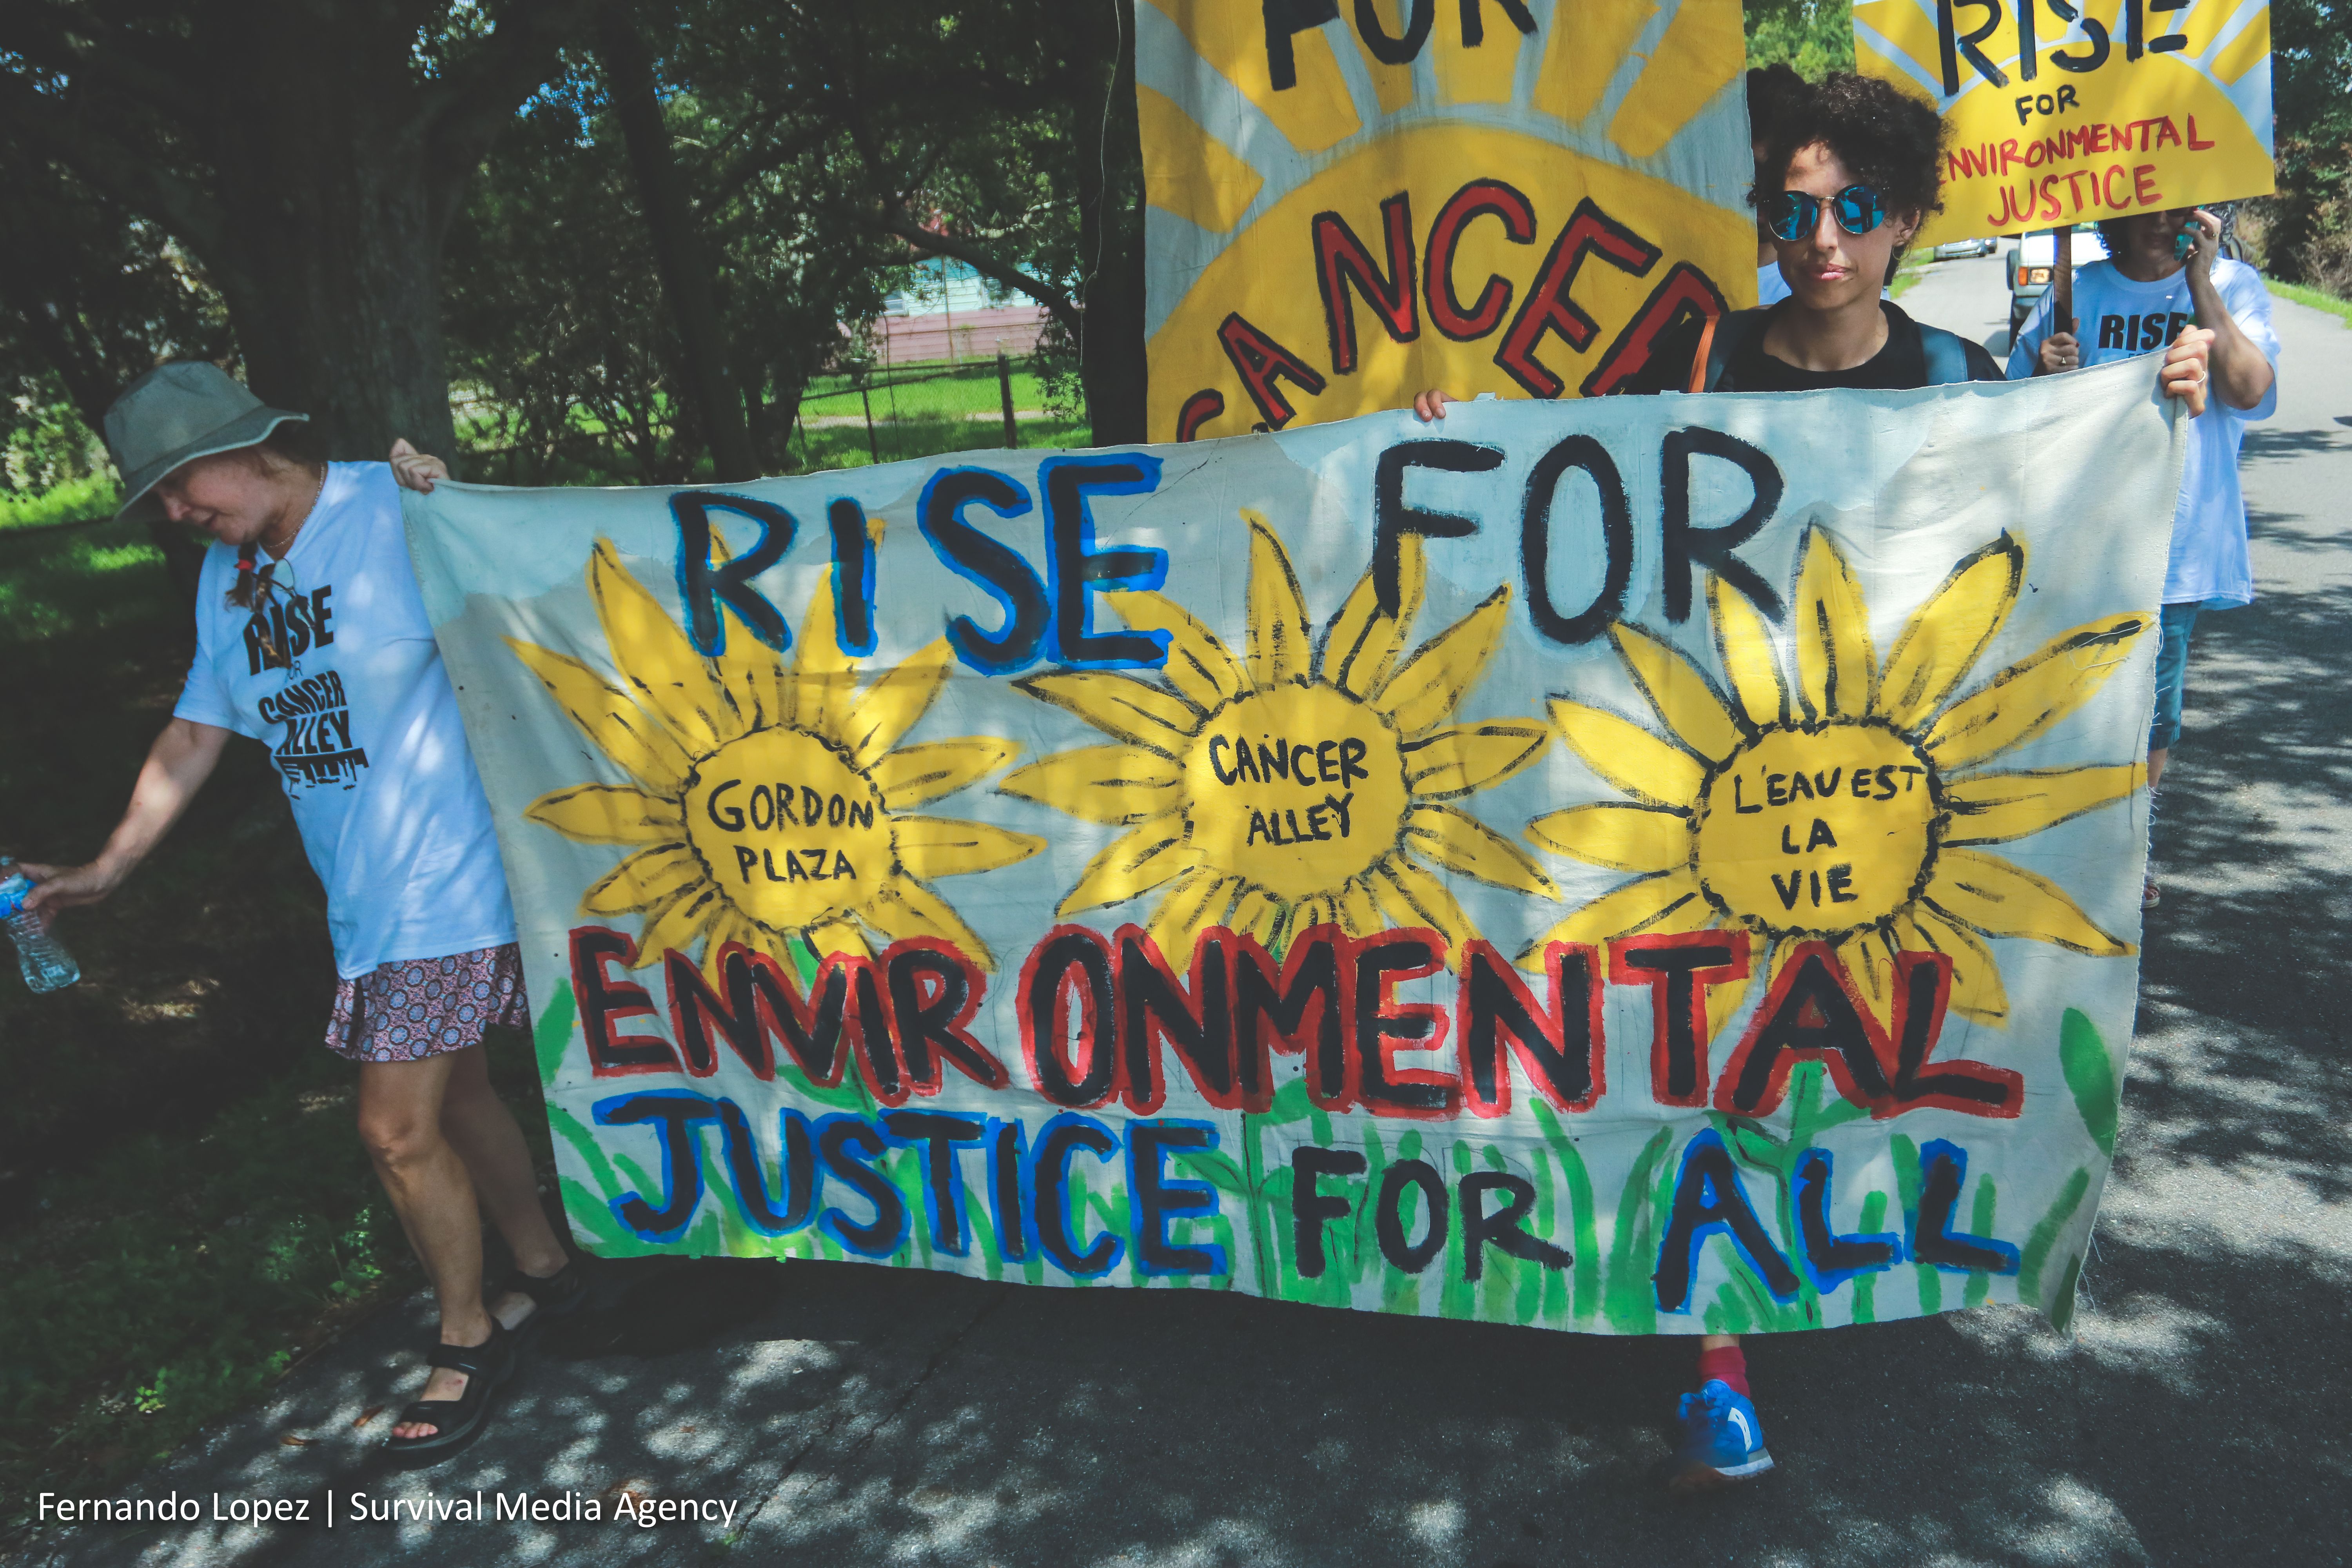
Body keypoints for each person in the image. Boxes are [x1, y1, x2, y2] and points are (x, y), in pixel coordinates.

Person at [1413, 73, 2213, 1492]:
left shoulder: (1960, 383)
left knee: (1845, 1056)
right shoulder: (1707, 362)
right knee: (1715, 1053)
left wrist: (2149, 405)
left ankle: (1848, 1242)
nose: (1821, 237)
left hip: (1882, 809)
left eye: (1852, 209)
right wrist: (1459, 444)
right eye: (1793, 210)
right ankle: (1716, 1359)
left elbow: (2036, 552)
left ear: (1905, 218)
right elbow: (1582, 498)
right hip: (1712, 794)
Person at [18, 362, 582, 1461]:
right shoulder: (230, 577)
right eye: (163, 504)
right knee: (459, 1093)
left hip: (446, 878)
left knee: (392, 1129)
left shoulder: (399, 509)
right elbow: (195, 730)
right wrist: (107, 869)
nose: (177, 518)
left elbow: (546, 596)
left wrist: (459, 503)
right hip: (366, 894)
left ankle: (466, 1337)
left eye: (184, 489)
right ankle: (547, 1271)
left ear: (252, 448)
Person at [2007, 206, 2278, 906]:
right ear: (2115, 217)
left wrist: (2202, 287)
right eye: (2146, 210)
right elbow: (2011, 414)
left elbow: (2251, 392)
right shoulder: (2076, 293)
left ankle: (2125, 845)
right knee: (2073, 691)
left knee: (2152, 710)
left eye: (2180, 211)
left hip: (2179, 543)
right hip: (2082, 539)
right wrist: (2044, 367)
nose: (2163, 223)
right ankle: (2068, 838)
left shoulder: (2233, 286)